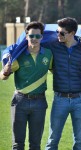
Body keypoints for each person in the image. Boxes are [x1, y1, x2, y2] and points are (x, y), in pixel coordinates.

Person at [45, 17, 81, 150]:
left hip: (80, 100)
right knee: (52, 140)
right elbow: (32, 42)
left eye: (62, 33)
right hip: (60, 99)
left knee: (80, 141)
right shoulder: (52, 45)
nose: (58, 35)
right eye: (58, 32)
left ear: (72, 33)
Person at [0, 21, 53, 150]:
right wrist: (5, 70)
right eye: (31, 36)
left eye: (37, 36)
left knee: (35, 145)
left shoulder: (48, 54)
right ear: (26, 36)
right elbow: (3, 77)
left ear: (42, 37)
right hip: (20, 101)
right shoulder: (18, 55)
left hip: (40, 102)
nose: (34, 39)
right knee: (18, 144)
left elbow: (56, 71)